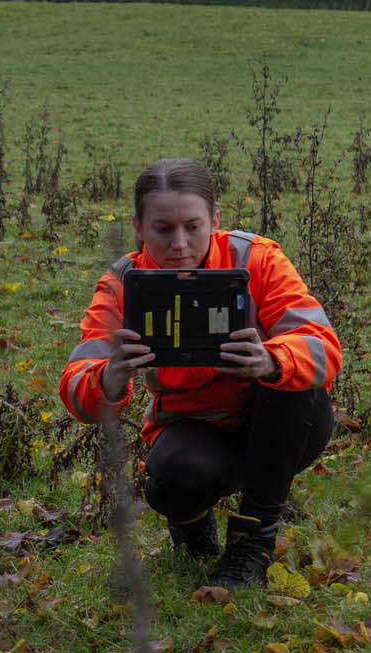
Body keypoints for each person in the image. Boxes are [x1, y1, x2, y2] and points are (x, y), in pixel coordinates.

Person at [57, 157, 340, 587]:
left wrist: (270, 360)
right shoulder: (123, 283)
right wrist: (110, 376)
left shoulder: (256, 259)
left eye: (193, 226)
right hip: (194, 430)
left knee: (291, 382)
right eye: (163, 229)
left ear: (215, 220)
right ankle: (191, 522)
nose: (180, 243)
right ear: (138, 226)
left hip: (284, 430)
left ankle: (252, 544)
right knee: (171, 481)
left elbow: (323, 348)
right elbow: (78, 384)